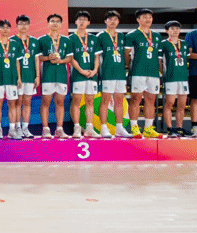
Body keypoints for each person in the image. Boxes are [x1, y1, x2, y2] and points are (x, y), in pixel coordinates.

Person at [125, 8, 162, 139]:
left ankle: (148, 128)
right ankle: (134, 127)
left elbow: (159, 57)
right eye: (145, 17)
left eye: (150, 17)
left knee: (151, 100)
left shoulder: (157, 36)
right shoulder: (132, 35)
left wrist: (160, 71)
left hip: (153, 73)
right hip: (138, 72)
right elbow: (126, 54)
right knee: (136, 99)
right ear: (138, 19)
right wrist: (129, 66)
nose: (148, 19)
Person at [37, 14, 72, 139]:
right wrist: (48, 58)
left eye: (57, 21)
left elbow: (70, 58)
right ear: (48, 24)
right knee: (45, 102)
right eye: (52, 21)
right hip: (48, 75)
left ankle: (59, 129)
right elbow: (38, 57)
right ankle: (45, 129)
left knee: (60, 102)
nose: (55, 23)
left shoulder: (66, 40)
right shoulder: (42, 40)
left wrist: (60, 61)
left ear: (61, 24)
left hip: (61, 75)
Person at [0, 19, 21, 140]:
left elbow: (17, 62)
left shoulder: (15, 44)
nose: (5, 29)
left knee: (12, 103)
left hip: (12, 78)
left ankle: (12, 130)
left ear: (10, 29)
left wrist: (19, 78)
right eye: (2, 27)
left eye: (7, 27)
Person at [69, 11, 101, 139]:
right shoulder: (71, 38)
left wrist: (95, 70)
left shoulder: (94, 38)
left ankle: (89, 128)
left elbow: (97, 57)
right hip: (78, 74)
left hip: (91, 75)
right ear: (75, 22)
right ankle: (77, 128)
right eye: (79, 19)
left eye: (84, 20)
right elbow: (71, 58)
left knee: (90, 101)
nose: (82, 22)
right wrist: (81, 70)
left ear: (89, 22)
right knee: (76, 101)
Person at [96, 10, 128, 139]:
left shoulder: (122, 36)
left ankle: (119, 128)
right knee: (105, 101)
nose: (113, 21)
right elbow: (97, 56)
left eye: (115, 19)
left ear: (118, 21)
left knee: (119, 100)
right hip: (107, 73)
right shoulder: (101, 36)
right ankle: (104, 128)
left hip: (120, 73)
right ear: (105, 21)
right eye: (110, 19)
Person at [161, 20, 190, 138]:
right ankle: (170, 128)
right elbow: (160, 61)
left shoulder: (184, 44)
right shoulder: (163, 44)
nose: (175, 31)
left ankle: (179, 128)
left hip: (183, 77)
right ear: (167, 31)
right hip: (170, 78)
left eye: (177, 28)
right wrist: (163, 74)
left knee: (182, 105)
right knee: (169, 103)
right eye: (172, 29)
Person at [14, 15, 40, 139]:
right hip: (17, 78)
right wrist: (17, 77)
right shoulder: (12, 41)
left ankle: (25, 127)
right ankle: (17, 127)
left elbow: (36, 59)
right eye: (21, 24)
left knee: (27, 102)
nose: (23, 26)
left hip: (30, 76)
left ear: (29, 25)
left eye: (26, 24)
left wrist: (37, 75)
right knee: (17, 102)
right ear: (17, 25)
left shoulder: (34, 41)